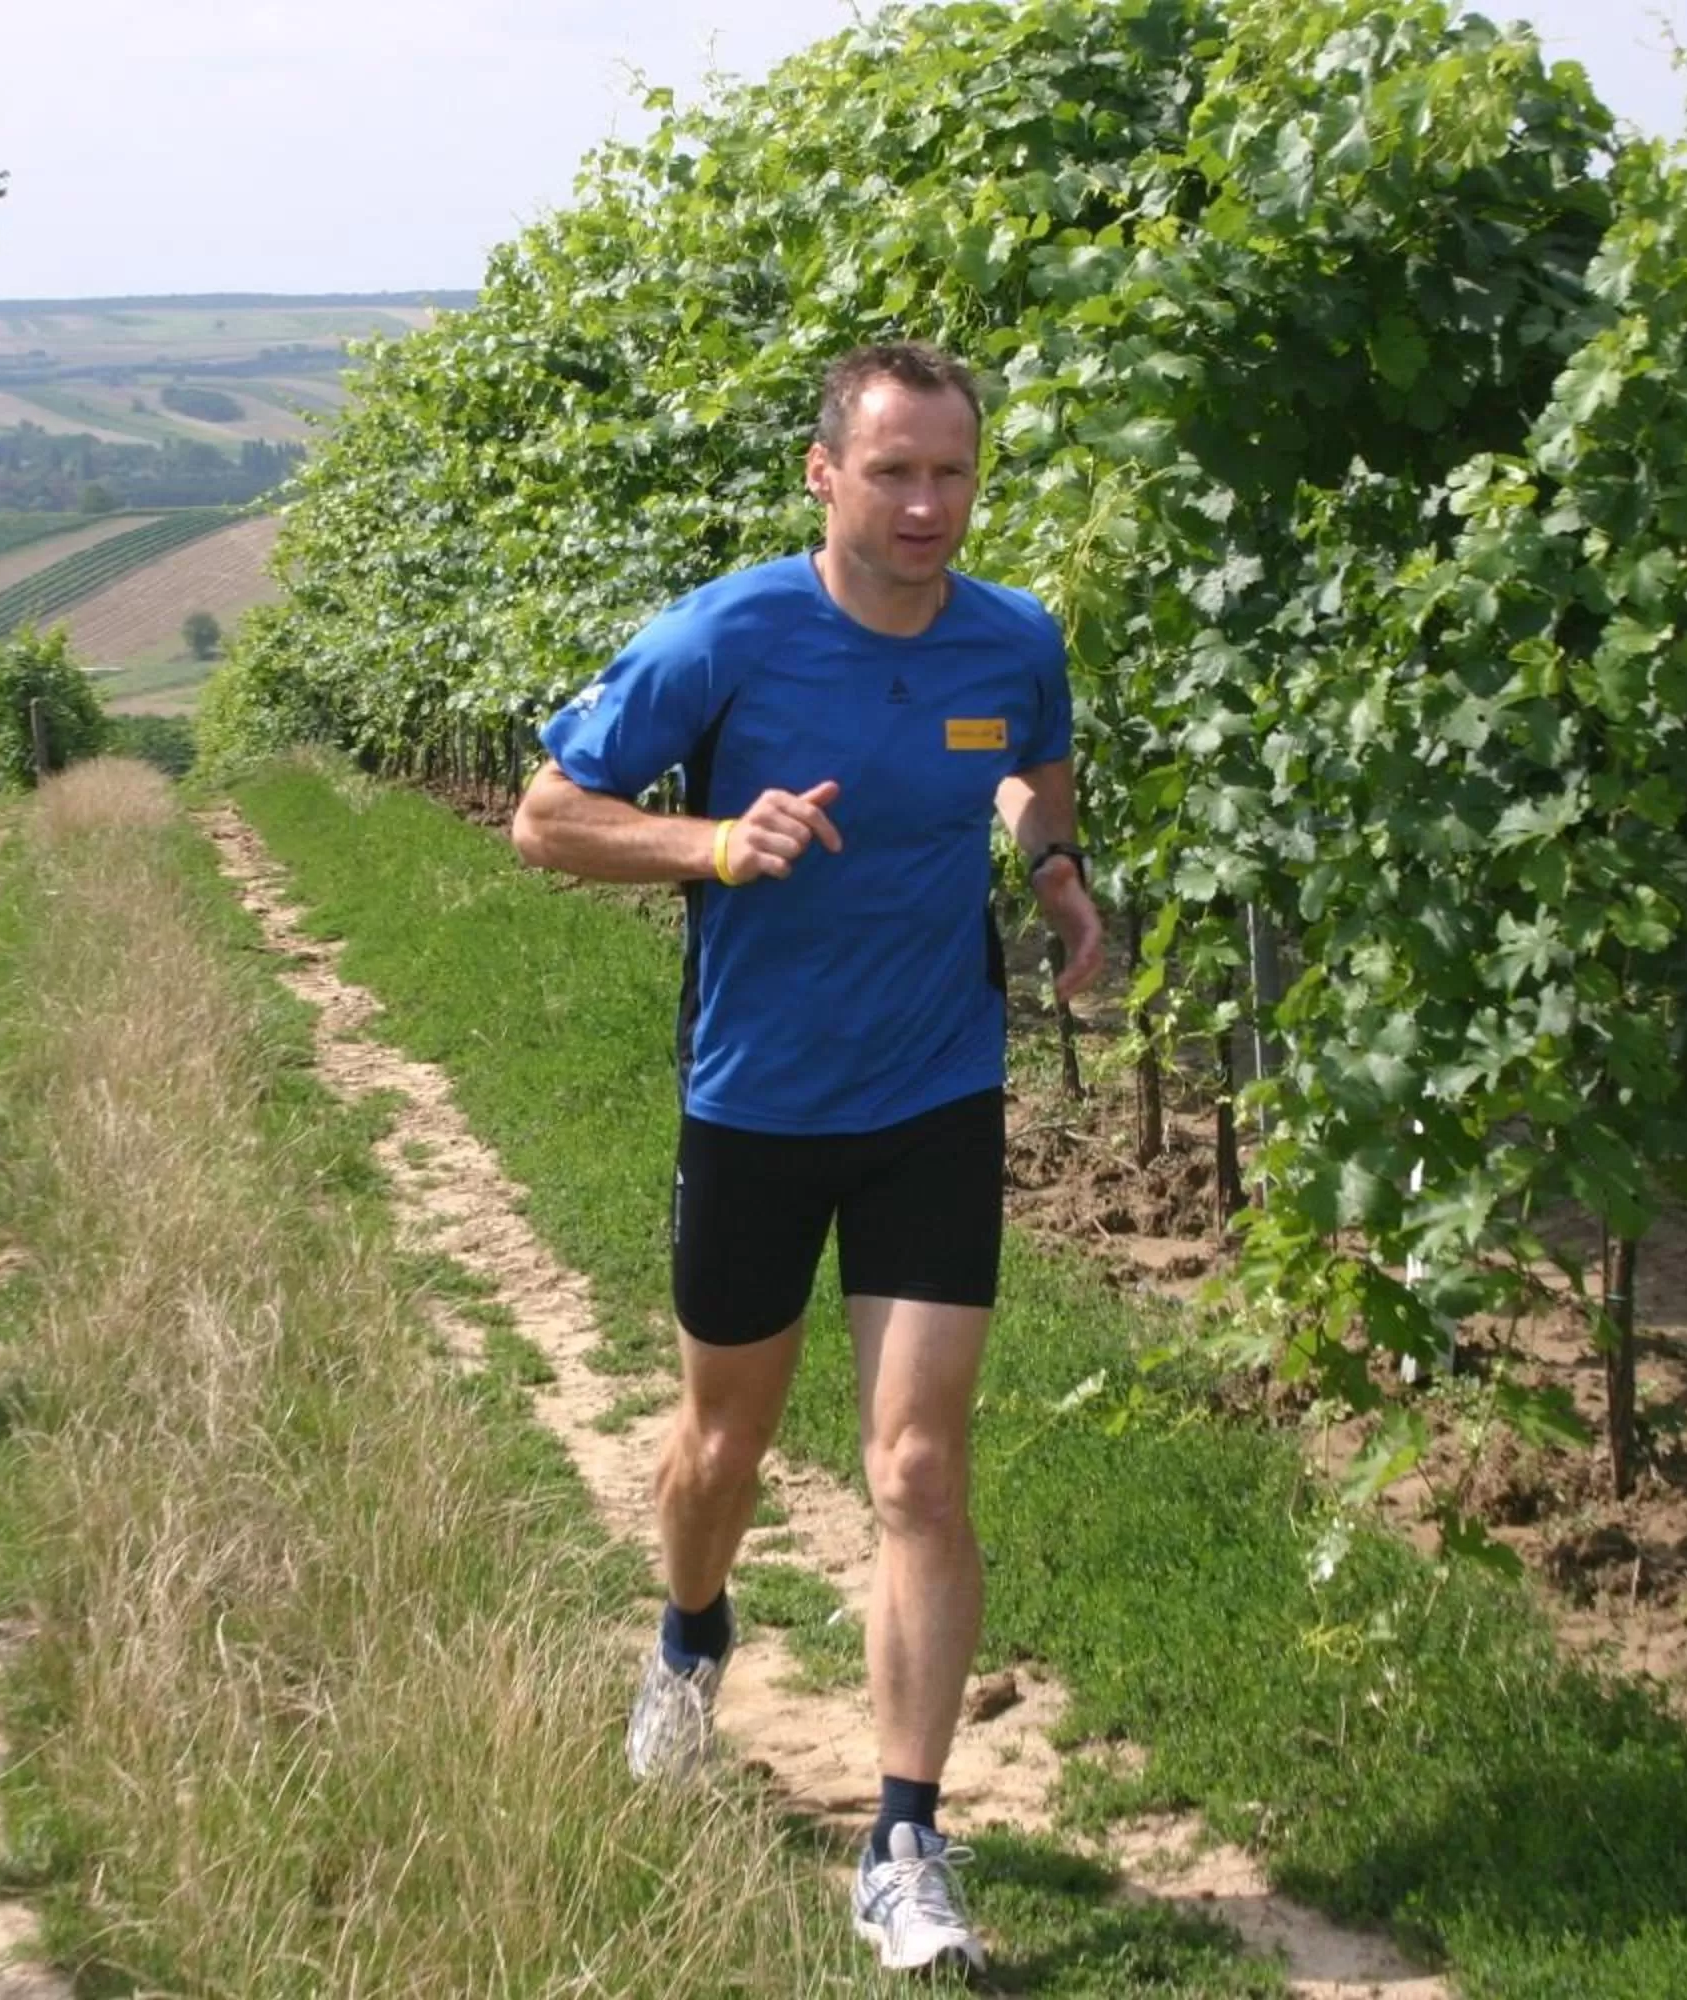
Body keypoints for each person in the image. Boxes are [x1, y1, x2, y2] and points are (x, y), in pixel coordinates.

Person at [509, 340, 1103, 1976]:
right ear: (825, 474)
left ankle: (903, 1840)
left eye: (953, 473)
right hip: (758, 1104)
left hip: (934, 1095)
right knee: (723, 1447)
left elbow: (1031, 760)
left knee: (917, 1470)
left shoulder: (1012, 636)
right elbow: (548, 816)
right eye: (894, 471)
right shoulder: (726, 636)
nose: (927, 503)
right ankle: (691, 1636)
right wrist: (713, 840)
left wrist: (1057, 873)